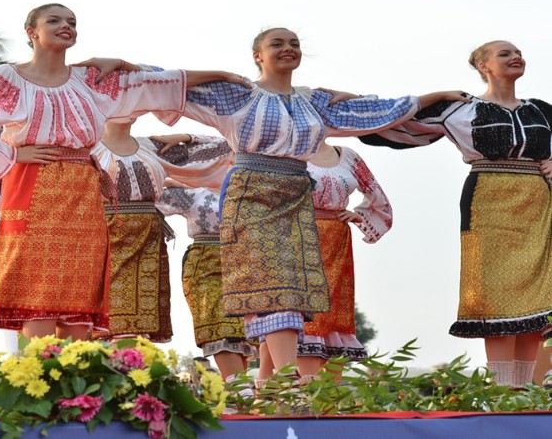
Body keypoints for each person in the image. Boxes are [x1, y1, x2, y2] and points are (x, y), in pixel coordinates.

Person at [100, 27, 466, 378]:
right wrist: (124, 64)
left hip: (294, 196)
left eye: (294, 43)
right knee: (269, 286)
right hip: (252, 194)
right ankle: (286, 379)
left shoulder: (314, 103)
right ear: (258, 55)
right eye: (278, 43)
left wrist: (432, 97)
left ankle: (272, 381)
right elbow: (169, 85)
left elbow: (377, 110)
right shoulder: (238, 94)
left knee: (291, 291)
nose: (288, 48)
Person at [0, 2, 247, 340]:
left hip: (83, 187)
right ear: (31, 32)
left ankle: (78, 375)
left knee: (80, 280)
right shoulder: (8, 77)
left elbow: (159, 84)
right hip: (31, 181)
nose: (65, 26)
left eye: (71, 21)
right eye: (53, 21)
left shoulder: (91, 79)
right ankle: (41, 377)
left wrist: (221, 74)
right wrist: (12, 156)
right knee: (37, 281)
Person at [362, 40, 552, 388]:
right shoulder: (460, 107)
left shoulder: (541, 110)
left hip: (538, 202)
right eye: (505, 53)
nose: (516, 57)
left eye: (518, 52)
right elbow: (391, 125)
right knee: (494, 290)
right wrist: (433, 96)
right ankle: (502, 390)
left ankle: (528, 390)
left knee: (538, 293)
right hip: (488, 200)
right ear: (483, 65)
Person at [92, 123, 233, 342]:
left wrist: (184, 135)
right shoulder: (87, 147)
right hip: (102, 234)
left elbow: (229, 147)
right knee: (97, 318)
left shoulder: (153, 147)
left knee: (139, 320)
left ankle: (131, 369)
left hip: (146, 239)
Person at [297, 140, 392, 379]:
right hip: (300, 235)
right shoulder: (289, 150)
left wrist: (358, 214)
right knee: (305, 308)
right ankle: (302, 391)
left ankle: (329, 398)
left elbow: (377, 195)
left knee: (334, 309)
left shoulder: (348, 156)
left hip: (338, 239)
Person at [156, 179, 256, 381]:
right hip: (205, 265)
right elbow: (149, 197)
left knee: (242, 332)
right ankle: (239, 391)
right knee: (219, 327)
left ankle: (239, 396)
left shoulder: (253, 189)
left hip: (245, 265)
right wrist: (170, 176)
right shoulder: (195, 193)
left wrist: (339, 213)